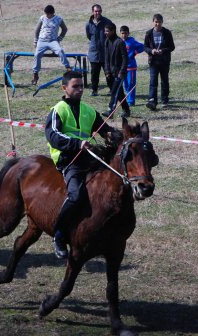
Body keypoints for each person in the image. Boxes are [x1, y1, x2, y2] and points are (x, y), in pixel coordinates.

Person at [45, 70, 119, 259]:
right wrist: (77, 144)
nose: (79, 90)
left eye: (81, 86)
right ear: (65, 88)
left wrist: (113, 135)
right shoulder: (57, 110)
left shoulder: (88, 110)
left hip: (88, 156)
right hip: (68, 159)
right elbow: (53, 136)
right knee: (77, 195)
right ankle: (59, 235)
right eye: (75, 86)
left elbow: (104, 130)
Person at [32, 5, 70, 85]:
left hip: (53, 41)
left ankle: (68, 67)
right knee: (37, 54)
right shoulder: (42, 18)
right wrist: (35, 41)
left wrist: (59, 38)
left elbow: (64, 29)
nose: (46, 15)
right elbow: (36, 30)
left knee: (60, 51)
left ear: (52, 13)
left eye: (47, 14)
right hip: (42, 41)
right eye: (45, 13)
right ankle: (35, 74)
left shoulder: (58, 19)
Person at [144, 13, 175, 110]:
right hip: (153, 62)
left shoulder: (167, 32)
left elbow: (172, 47)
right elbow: (145, 47)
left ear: (162, 22)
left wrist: (163, 50)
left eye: (159, 22)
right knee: (153, 81)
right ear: (153, 22)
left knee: (164, 81)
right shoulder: (148, 33)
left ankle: (164, 100)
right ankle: (152, 100)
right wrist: (151, 51)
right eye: (156, 22)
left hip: (164, 61)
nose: (157, 24)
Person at [102, 23, 130, 118]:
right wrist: (106, 71)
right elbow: (106, 58)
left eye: (107, 31)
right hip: (110, 73)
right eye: (105, 31)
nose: (105, 33)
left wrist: (122, 72)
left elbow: (125, 58)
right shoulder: (106, 42)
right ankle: (126, 109)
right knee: (119, 93)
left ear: (113, 31)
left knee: (114, 92)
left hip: (119, 73)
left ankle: (110, 110)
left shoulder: (120, 42)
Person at [85, 4, 113, 96]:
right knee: (94, 74)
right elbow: (89, 36)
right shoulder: (88, 24)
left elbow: (112, 35)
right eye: (96, 11)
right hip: (94, 54)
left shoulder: (107, 22)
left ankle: (112, 89)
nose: (98, 13)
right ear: (92, 11)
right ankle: (94, 90)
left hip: (106, 53)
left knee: (108, 72)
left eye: (99, 11)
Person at [120, 25, 144, 106]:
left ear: (128, 33)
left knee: (131, 83)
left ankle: (131, 101)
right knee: (125, 84)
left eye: (126, 33)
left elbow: (142, 47)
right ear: (120, 33)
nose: (124, 35)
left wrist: (134, 53)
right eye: (123, 33)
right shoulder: (119, 41)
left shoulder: (132, 41)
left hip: (131, 66)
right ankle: (128, 98)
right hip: (122, 67)